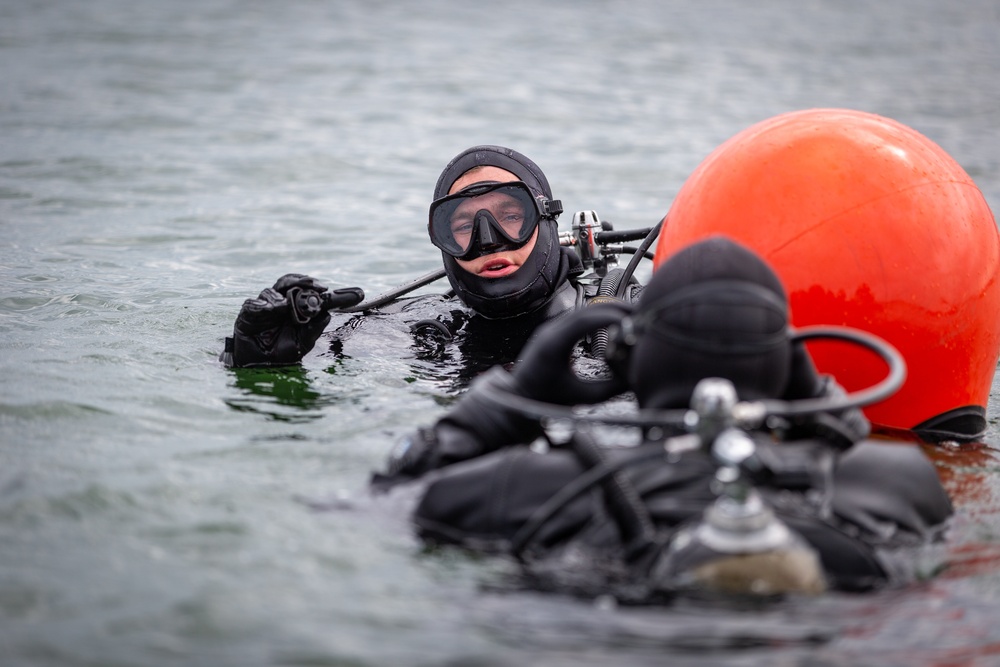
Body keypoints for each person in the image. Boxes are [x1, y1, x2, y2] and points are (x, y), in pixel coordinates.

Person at [373, 237, 953, 599]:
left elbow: (393, 497)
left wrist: (515, 397)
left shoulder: (523, 487)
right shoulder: (900, 480)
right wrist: (814, 402)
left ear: (627, 364)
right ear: (786, 367)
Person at [221, 145, 645, 378]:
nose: (489, 241)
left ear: (546, 218)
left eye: (511, 217)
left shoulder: (618, 311)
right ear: (441, 240)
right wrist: (255, 361)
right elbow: (333, 365)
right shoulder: (427, 324)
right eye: (464, 226)